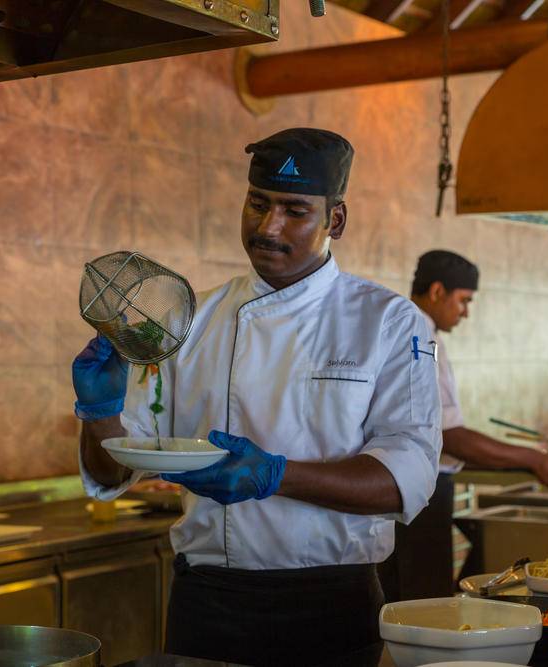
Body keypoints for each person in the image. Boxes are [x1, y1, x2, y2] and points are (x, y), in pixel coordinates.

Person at [71, 128, 442, 666]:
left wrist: (275, 475)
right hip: (206, 605)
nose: (269, 227)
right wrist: (99, 412)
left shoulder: (386, 320)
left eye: (295, 210)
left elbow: (408, 478)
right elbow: (113, 471)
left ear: (336, 220)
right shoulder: (189, 320)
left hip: (331, 605)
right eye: (258, 203)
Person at [379, 250, 548, 602]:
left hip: (411, 489)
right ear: (437, 291)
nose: (466, 312)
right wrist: (533, 459)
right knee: (422, 602)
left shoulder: (408, 329)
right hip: (419, 493)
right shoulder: (418, 337)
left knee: (408, 597)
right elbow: (450, 437)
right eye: (464, 300)